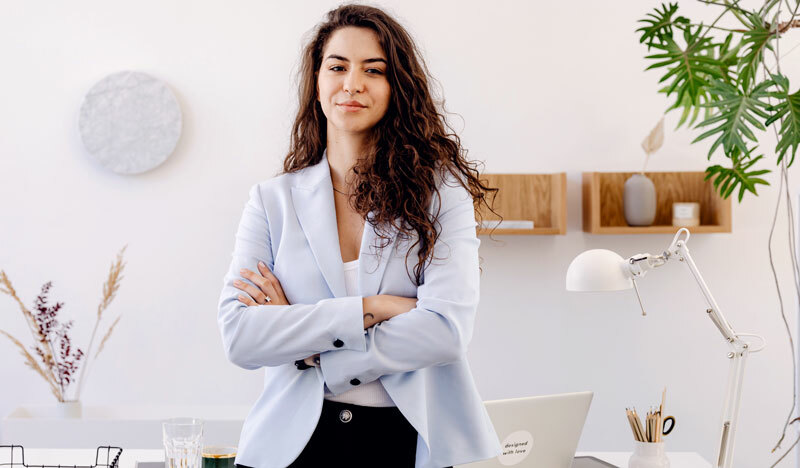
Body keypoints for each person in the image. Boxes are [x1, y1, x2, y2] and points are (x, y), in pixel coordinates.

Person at [217, 4, 501, 468]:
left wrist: (313, 351)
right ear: (317, 82)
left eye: (374, 69)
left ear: (396, 88)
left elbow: (445, 332)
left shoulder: (439, 192)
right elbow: (241, 337)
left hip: (407, 439)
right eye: (337, 67)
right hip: (291, 445)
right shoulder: (272, 201)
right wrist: (374, 309)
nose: (352, 83)